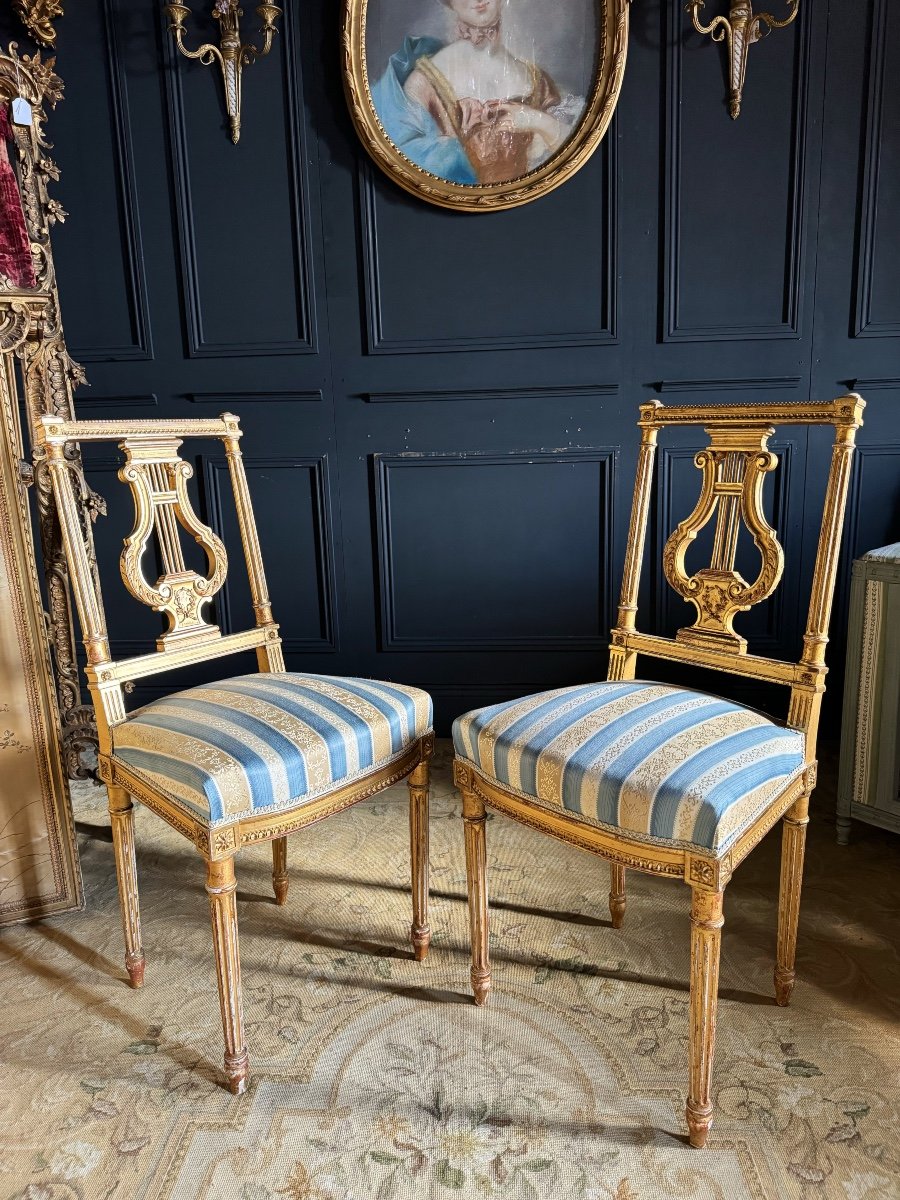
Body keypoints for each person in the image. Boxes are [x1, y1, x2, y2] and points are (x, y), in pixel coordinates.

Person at [371, 0, 583, 186]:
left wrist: (536, 121)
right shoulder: (424, 83)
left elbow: (567, 160)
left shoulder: (538, 82)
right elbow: (403, 166)